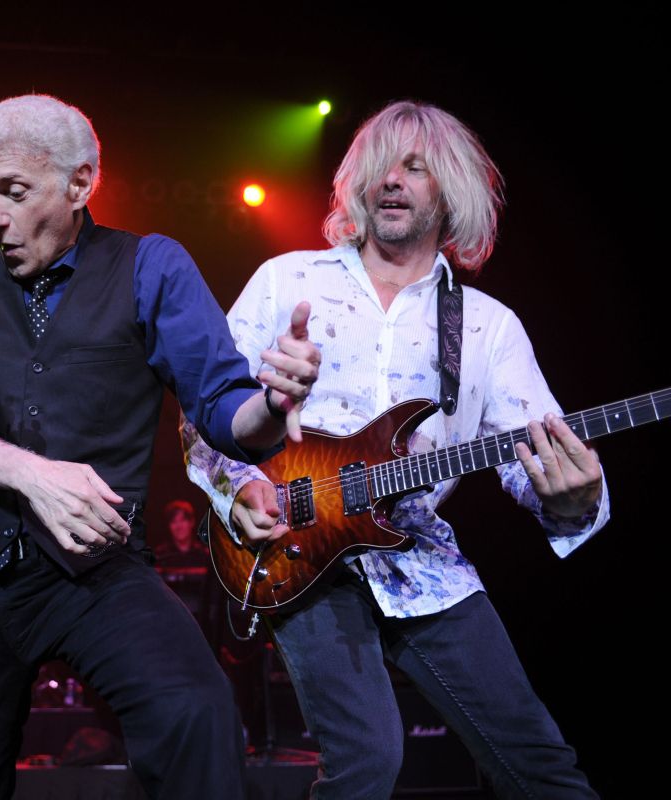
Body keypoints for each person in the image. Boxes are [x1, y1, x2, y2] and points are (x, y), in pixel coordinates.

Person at [184, 100, 608, 799]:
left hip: (422, 559)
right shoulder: (287, 280)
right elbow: (203, 413)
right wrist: (236, 492)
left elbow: (533, 463)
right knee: (367, 762)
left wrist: (575, 497)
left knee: (541, 765)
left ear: (452, 188)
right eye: (381, 166)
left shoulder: (486, 327)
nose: (391, 180)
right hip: (299, 550)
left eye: (415, 168)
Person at [0, 94, 320, 799]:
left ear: (79, 184)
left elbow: (224, 410)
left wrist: (272, 404)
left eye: (14, 192)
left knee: (198, 712)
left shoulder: (151, 266)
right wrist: (34, 476)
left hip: (99, 568)